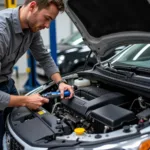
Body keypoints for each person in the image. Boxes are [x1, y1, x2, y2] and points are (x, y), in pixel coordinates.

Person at [0, 0, 74, 149]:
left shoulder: (32, 30)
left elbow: (44, 57)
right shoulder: (2, 32)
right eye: (47, 18)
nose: (47, 26)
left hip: (6, 83)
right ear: (32, 6)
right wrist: (25, 101)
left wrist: (61, 82)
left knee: (16, 129)